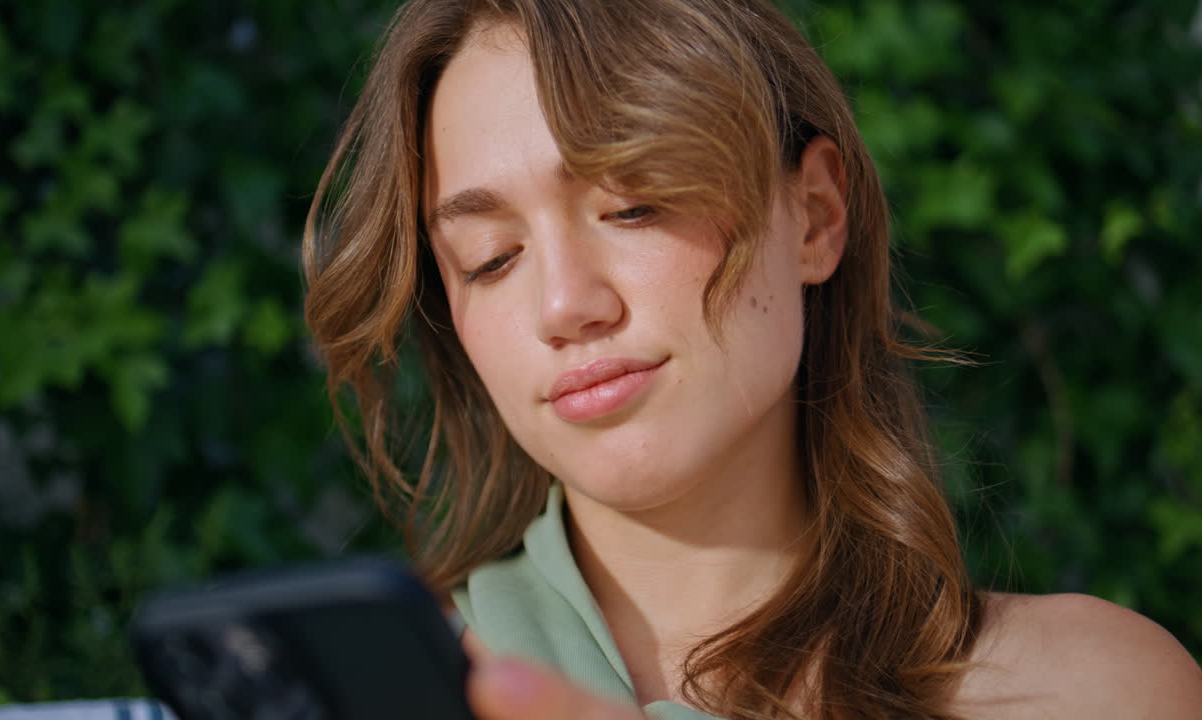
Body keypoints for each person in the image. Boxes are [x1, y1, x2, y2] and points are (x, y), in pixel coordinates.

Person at [301, 0, 1202, 717]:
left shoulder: (1092, 692)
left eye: (635, 205)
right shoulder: (365, 697)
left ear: (813, 217)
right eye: (491, 259)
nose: (565, 305)